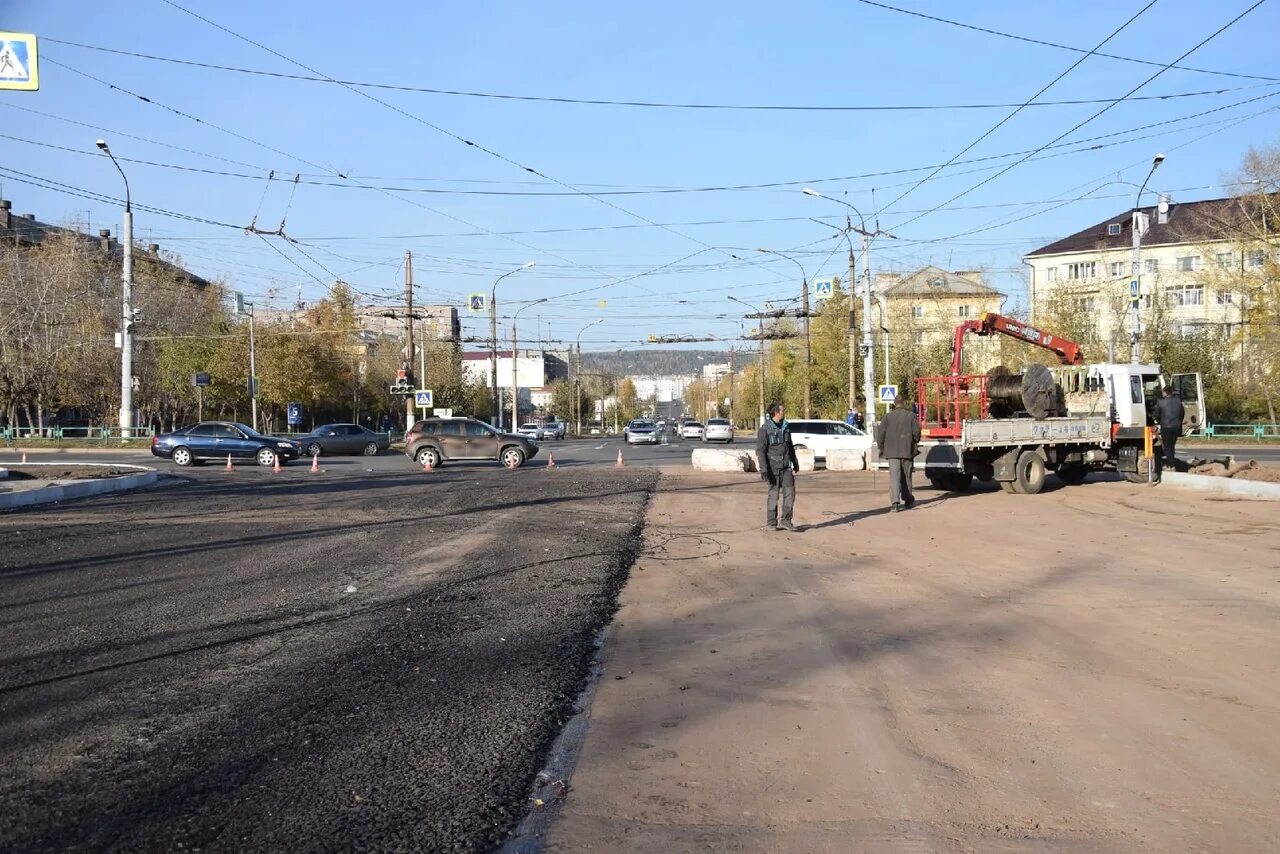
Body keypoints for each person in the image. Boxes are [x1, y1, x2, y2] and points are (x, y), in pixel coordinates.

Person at [755, 402, 799, 532]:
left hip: (786, 468)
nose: (784, 412)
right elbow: (760, 451)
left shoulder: (786, 427)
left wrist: (795, 461)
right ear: (776, 413)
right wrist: (763, 469)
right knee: (773, 495)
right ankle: (771, 523)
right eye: (782, 410)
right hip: (772, 468)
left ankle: (786, 521)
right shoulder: (765, 429)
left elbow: (790, 446)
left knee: (790, 494)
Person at [874, 396, 921, 511]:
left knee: (894, 476)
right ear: (904, 403)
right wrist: (914, 441)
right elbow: (917, 433)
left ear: (894, 404)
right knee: (907, 476)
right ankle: (908, 500)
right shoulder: (911, 416)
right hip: (906, 450)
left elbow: (880, 435)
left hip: (892, 452)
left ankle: (895, 503)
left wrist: (881, 448)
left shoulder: (888, 417)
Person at [1155, 384, 1185, 469]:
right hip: (1176, 426)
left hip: (1166, 426)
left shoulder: (1161, 402)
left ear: (1165, 392)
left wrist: (1158, 421)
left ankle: (1170, 464)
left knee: (1167, 446)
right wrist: (1179, 422)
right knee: (1172, 445)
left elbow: (1157, 415)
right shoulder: (1178, 401)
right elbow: (1182, 414)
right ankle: (1171, 463)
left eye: (1163, 392)